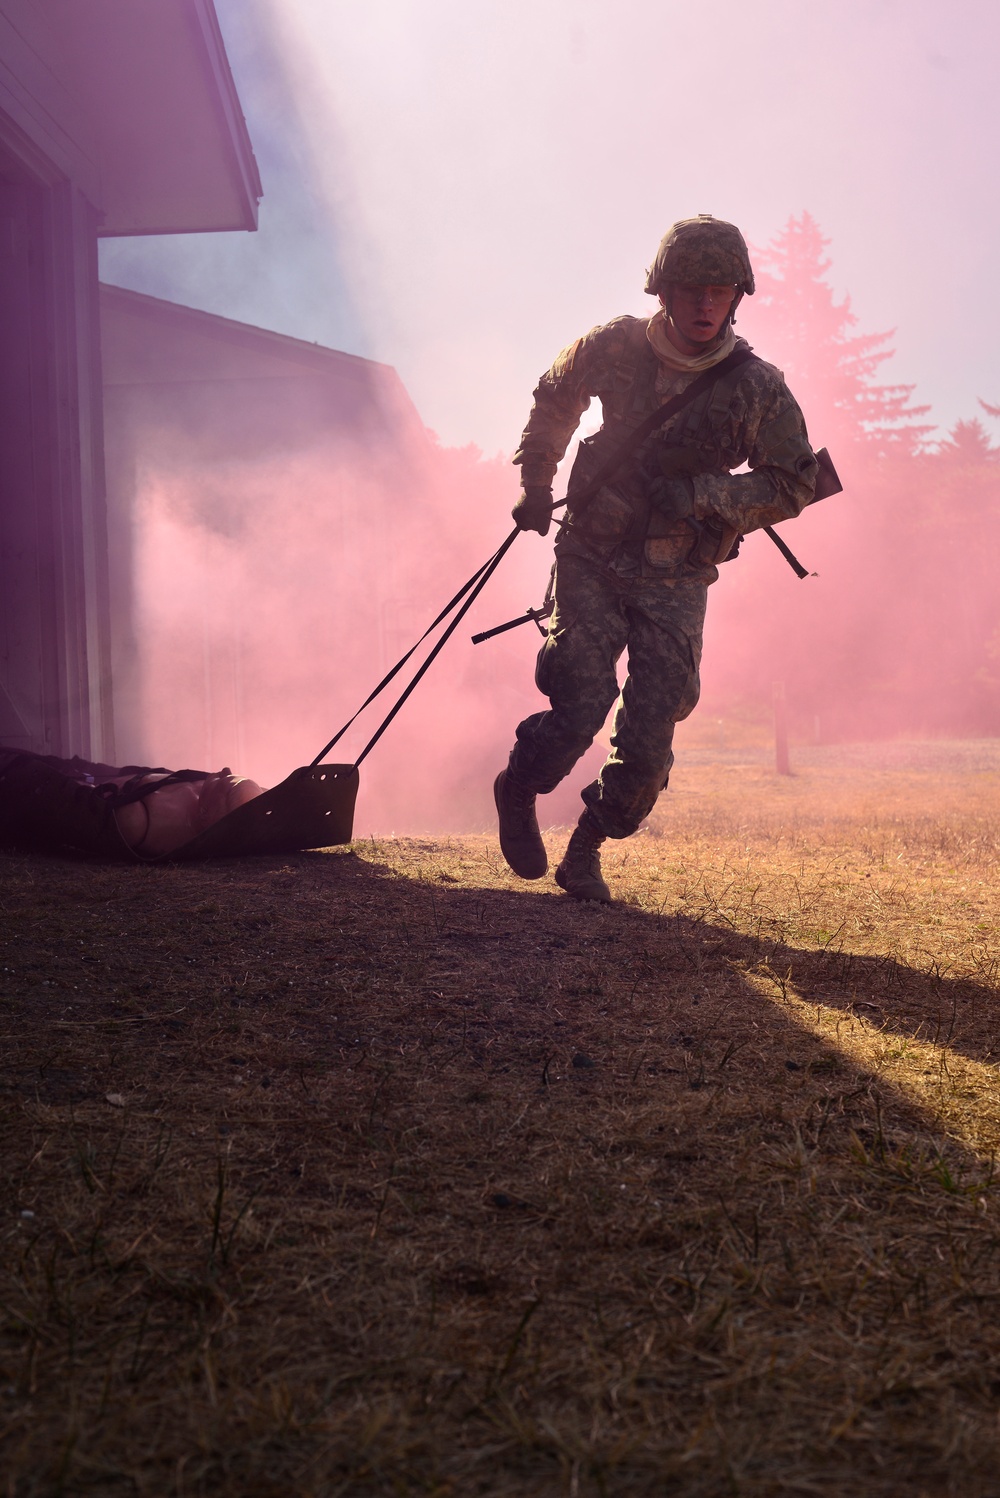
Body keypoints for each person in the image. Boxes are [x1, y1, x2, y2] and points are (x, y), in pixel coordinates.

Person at [494, 215, 818, 902]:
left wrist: (705, 493)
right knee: (581, 702)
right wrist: (536, 486)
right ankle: (518, 785)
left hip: (676, 574)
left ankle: (585, 850)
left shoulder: (757, 387)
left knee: (650, 735)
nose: (706, 303)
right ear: (663, 291)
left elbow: (794, 482)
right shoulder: (614, 345)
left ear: (739, 295)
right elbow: (554, 401)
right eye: (692, 288)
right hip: (591, 551)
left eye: (721, 290)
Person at [0, 748, 265, 859]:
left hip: (41, 787)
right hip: (80, 775)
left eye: (224, 785)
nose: (225, 771)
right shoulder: (206, 795)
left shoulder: (145, 823)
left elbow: (68, 808)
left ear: (209, 816)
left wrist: (19, 770)